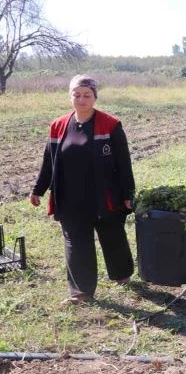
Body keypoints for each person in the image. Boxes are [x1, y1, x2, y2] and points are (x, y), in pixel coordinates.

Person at [30, 75, 135, 305]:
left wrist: (128, 194)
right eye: (76, 95)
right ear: (70, 96)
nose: (81, 99)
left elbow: (123, 163)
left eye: (87, 95)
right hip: (70, 199)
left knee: (112, 237)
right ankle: (80, 292)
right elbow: (49, 162)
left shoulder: (110, 124)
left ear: (95, 97)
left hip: (105, 197)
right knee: (76, 243)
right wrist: (38, 189)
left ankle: (121, 275)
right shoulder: (58, 126)